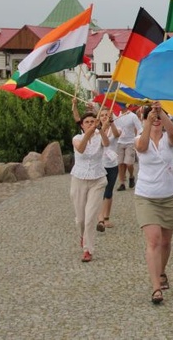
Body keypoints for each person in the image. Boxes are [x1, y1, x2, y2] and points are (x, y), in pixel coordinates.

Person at [134, 103, 173, 305]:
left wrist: (161, 112)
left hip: (169, 196)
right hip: (146, 196)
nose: (156, 119)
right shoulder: (139, 139)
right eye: (151, 116)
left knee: (165, 242)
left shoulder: (169, 142)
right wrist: (148, 121)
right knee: (153, 240)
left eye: (160, 116)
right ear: (144, 119)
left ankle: (161, 272)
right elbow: (142, 146)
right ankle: (156, 288)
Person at [70, 112, 110, 262]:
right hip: (79, 179)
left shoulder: (100, 136)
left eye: (93, 121)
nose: (90, 123)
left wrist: (102, 129)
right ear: (82, 125)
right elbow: (80, 149)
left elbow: (106, 144)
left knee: (90, 218)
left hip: (98, 179)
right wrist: (89, 133)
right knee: (80, 219)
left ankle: (88, 249)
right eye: (87, 122)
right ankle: (82, 236)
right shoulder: (77, 138)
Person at [96, 107, 121, 231]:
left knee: (108, 192)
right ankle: (100, 218)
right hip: (99, 164)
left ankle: (106, 217)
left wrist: (111, 123)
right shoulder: (96, 131)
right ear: (99, 118)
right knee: (99, 191)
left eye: (106, 114)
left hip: (112, 164)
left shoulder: (115, 129)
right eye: (102, 115)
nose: (104, 116)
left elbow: (116, 134)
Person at [114, 106, 142, 191]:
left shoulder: (132, 116)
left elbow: (140, 128)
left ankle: (131, 176)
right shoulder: (116, 115)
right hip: (119, 142)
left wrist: (138, 139)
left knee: (129, 163)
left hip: (130, 142)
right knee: (120, 163)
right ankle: (122, 183)